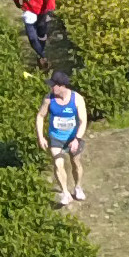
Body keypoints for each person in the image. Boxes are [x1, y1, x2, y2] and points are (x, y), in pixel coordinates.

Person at [40, 71, 88, 207]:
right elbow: (40, 116)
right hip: (56, 137)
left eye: (53, 85)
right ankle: (65, 193)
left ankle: (78, 187)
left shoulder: (77, 99)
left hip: (73, 137)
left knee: (75, 163)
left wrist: (77, 139)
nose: (51, 88)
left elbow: (83, 120)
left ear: (62, 86)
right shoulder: (49, 99)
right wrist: (41, 137)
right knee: (58, 163)